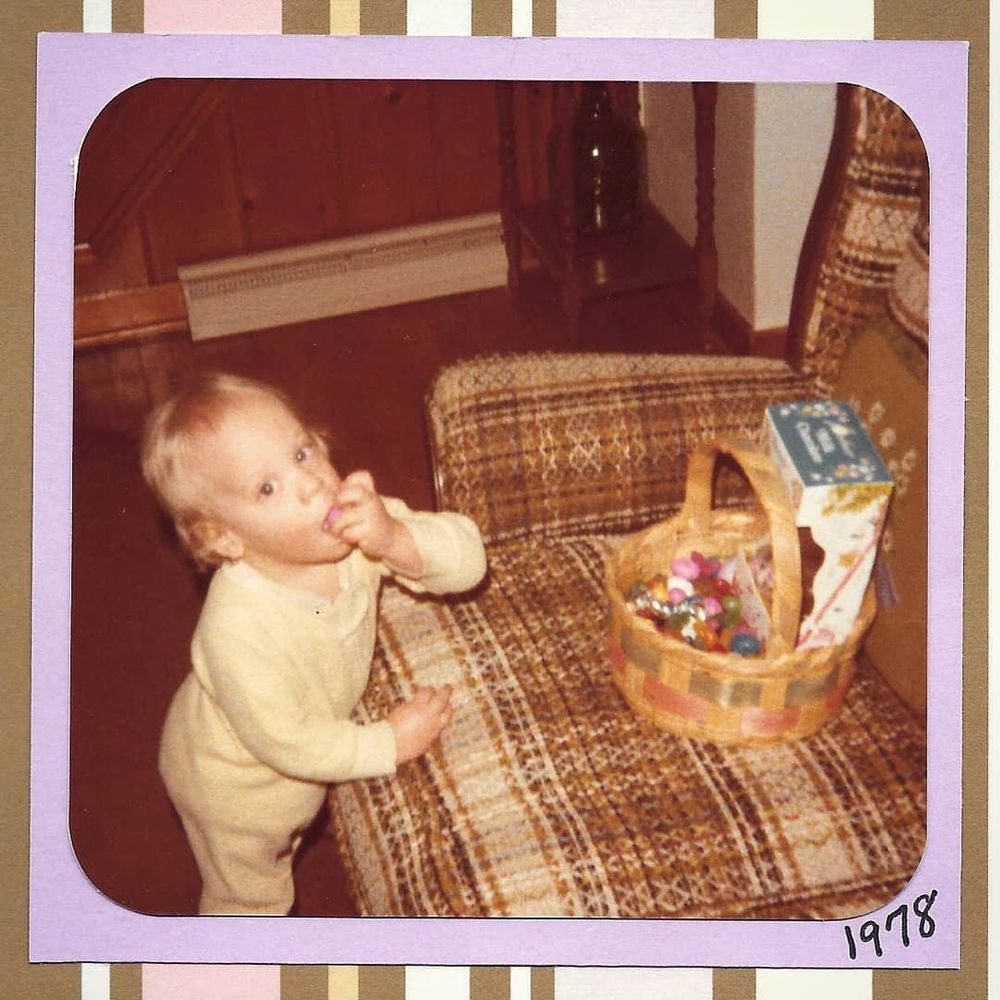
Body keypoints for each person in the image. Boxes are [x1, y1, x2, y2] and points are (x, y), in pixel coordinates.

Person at [140, 372, 486, 915]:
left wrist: (395, 538)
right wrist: (387, 744)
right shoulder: (235, 631)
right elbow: (288, 743)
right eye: (267, 488)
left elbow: (469, 561)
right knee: (251, 895)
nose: (310, 485)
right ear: (224, 537)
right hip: (234, 787)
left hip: (293, 724)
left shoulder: (357, 530)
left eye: (302, 452)